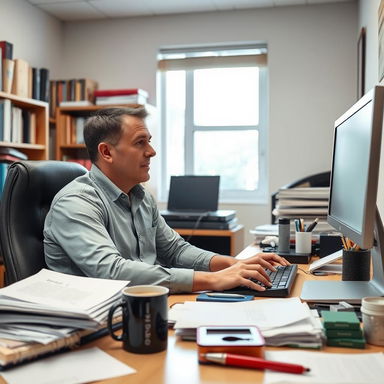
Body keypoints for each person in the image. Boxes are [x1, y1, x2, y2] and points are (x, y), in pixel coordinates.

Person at [44, 107, 289, 293]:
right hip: (96, 320)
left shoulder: (140, 196)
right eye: (140, 142)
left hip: (144, 302)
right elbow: (111, 271)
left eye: (149, 141)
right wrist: (212, 280)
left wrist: (234, 264)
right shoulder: (75, 202)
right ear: (107, 152)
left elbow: (174, 250)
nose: (152, 151)